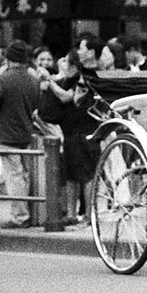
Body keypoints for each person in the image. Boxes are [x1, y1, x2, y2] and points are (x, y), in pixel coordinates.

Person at [36, 51, 96, 226]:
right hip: (69, 130)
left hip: (82, 131)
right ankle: (71, 213)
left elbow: (68, 97)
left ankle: (88, 215)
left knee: (85, 175)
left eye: (66, 62)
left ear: (74, 66)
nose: (62, 63)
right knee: (70, 175)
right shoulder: (66, 79)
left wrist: (50, 81)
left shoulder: (82, 80)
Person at [0, 39, 39, 229]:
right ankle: (28, 212)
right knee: (25, 175)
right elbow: (36, 102)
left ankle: (20, 216)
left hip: (7, 134)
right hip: (27, 132)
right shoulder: (33, 78)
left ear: (9, 58)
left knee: (14, 177)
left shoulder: (1, 80)